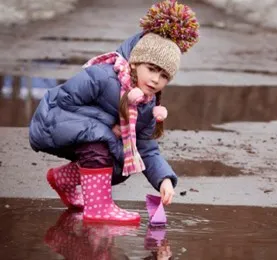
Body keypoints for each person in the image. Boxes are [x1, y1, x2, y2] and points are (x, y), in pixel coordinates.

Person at [29, 0, 199, 224]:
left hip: (82, 133)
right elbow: (63, 102)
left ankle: (64, 179)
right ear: (136, 62)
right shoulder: (103, 76)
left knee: (126, 162)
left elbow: (146, 148)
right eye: (152, 69)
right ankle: (98, 208)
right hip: (51, 121)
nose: (156, 79)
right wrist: (109, 125)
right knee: (102, 139)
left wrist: (164, 180)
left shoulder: (147, 105)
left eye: (164, 76)